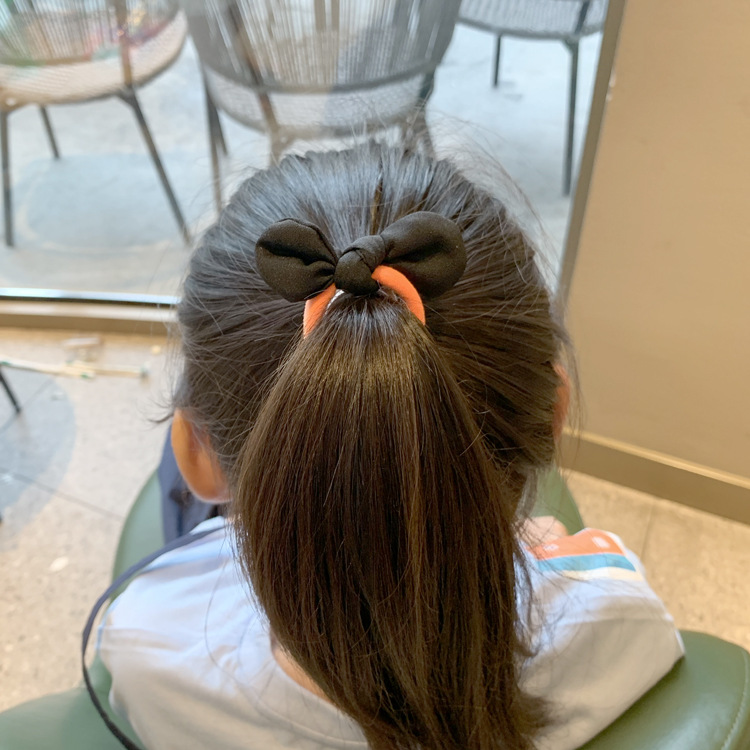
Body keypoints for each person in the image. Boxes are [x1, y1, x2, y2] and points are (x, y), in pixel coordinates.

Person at [97, 143, 683, 750]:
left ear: (197, 456)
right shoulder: (617, 618)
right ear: (555, 413)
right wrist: (548, 544)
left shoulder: (146, 651)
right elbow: (607, 593)